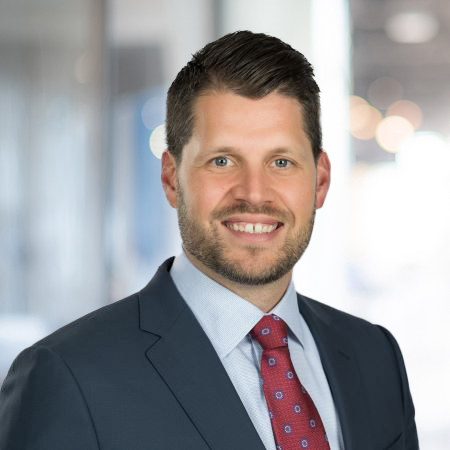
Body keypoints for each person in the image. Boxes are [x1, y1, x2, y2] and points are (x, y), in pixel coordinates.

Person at [0, 31, 418, 450]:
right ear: (172, 179)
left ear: (320, 181)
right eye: (222, 160)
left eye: (281, 162)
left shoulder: (375, 357)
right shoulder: (68, 376)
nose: (254, 193)